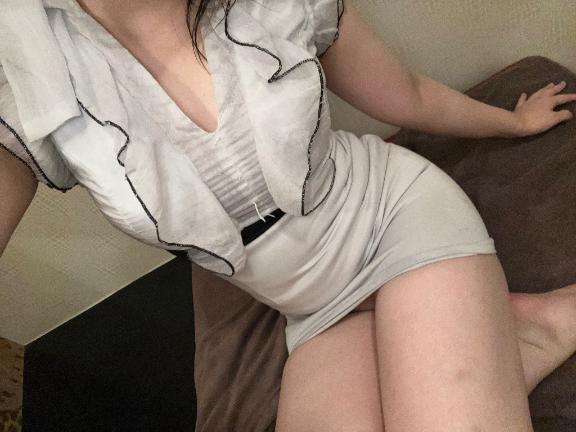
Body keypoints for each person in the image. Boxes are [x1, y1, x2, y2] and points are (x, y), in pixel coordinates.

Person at [1, 0, 575, 430]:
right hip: (312, 307)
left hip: (394, 224)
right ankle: (516, 335)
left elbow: (408, 95)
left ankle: (516, 329)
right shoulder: (24, 68)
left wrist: (513, 123)